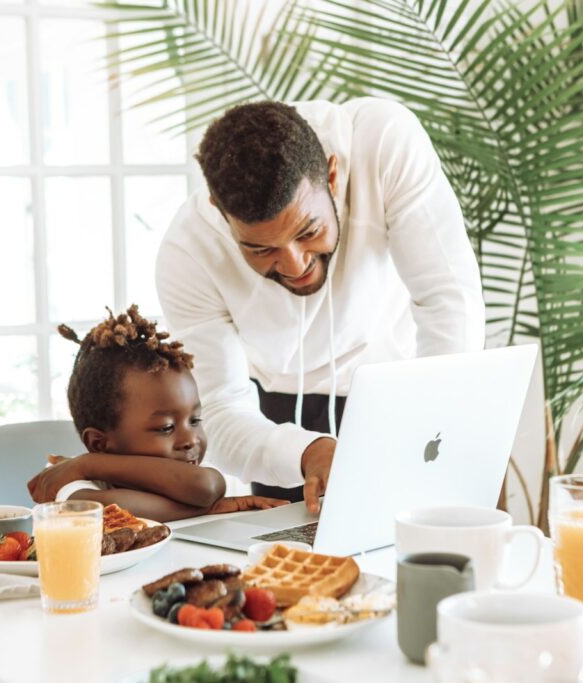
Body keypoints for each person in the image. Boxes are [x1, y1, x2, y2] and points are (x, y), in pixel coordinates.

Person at [156, 97, 485, 513]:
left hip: (400, 389)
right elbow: (217, 411)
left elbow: (448, 296)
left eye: (308, 231)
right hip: (272, 416)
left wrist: (436, 426)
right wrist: (305, 451)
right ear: (220, 213)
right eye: (261, 250)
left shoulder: (383, 142)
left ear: (332, 176)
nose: (295, 265)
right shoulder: (187, 253)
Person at [25, 305, 288, 521]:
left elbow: (208, 486)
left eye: (195, 420)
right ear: (99, 443)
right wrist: (210, 508)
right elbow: (110, 512)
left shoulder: (176, 469)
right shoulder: (65, 480)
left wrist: (88, 461)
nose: (190, 439)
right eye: (165, 428)